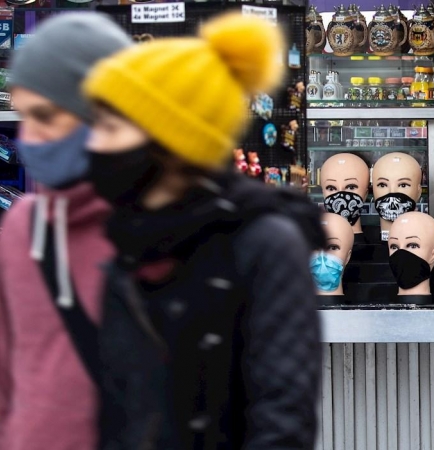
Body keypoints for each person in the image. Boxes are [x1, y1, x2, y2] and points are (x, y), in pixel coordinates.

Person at [82, 13, 324, 449]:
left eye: (111, 127)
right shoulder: (123, 238)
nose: (93, 144)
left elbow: (281, 418)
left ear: (171, 139)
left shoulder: (263, 242)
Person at [0, 13, 132, 450]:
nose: (28, 138)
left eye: (44, 116)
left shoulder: (171, 225)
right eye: (22, 118)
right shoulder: (23, 226)